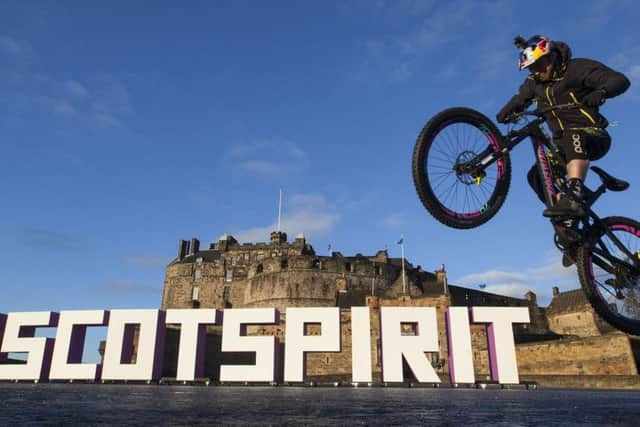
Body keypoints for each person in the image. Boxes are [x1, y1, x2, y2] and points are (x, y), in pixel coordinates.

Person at [496, 35, 630, 218]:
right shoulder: (533, 83)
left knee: (571, 135)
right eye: (530, 68)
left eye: (537, 66)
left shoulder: (577, 68)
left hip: (593, 135)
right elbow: (519, 100)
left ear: (550, 57)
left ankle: (575, 194)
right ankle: (566, 219)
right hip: (563, 147)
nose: (535, 72)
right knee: (537, 175)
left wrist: (602, 92)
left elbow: (619, 80)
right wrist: (504, 114)